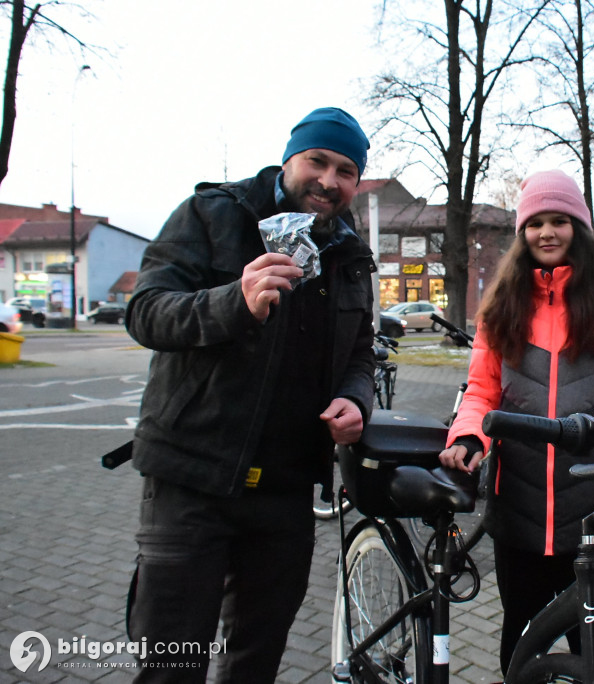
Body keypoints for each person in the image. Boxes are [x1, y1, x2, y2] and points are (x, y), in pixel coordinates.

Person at [123, 107, 377, 682]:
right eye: (317, 161)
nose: (329, 181)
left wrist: (356, 400)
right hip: (192, 479)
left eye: (346, 171)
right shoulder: (214, 214)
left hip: (285, 492)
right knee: (171, 666)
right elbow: (145, 312)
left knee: (254, 664)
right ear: (289, 158)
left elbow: (360, 349)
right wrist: (231, 302)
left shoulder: (348, 253)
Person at [438, 169, 594, 677]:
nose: (546, 232)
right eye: (535, 223)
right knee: (519, 648)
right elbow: (481, 391)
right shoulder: (502, 305)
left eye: (559, 220)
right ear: (522, 233)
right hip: (517, 514)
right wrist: (468, 433)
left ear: (579, 227)